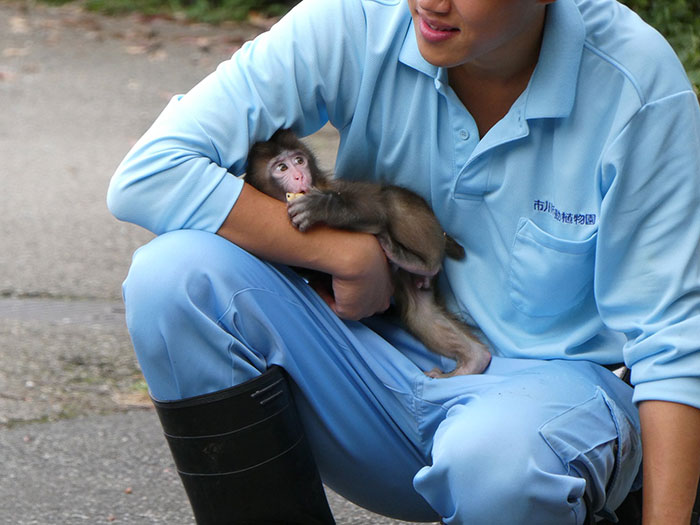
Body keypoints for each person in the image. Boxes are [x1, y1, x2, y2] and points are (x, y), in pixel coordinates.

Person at [107, 0, 700, 522]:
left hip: (541, 424)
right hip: (370, 370)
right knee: (173, 278)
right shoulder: (362, 16)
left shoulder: (633, 82)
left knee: (492, 462)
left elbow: (673, 339)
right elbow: (149, 172)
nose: (429, 1)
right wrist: (340, 249)